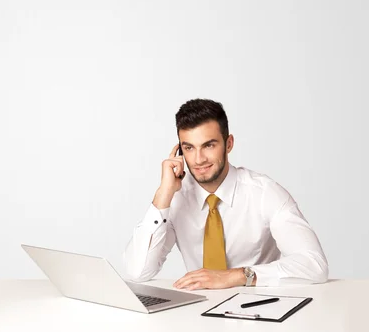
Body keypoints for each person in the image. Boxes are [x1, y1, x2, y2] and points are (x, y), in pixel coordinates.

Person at [123, 99, 328, 290]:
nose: (199, 159)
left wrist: (237, 276)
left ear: (228, 144)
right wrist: (163, 194)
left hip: (259, 311)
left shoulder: (265, 193)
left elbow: (314, 265)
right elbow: (137, 272)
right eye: (189, 148)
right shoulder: (175, 198)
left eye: (209, 145)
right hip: (197, 313)